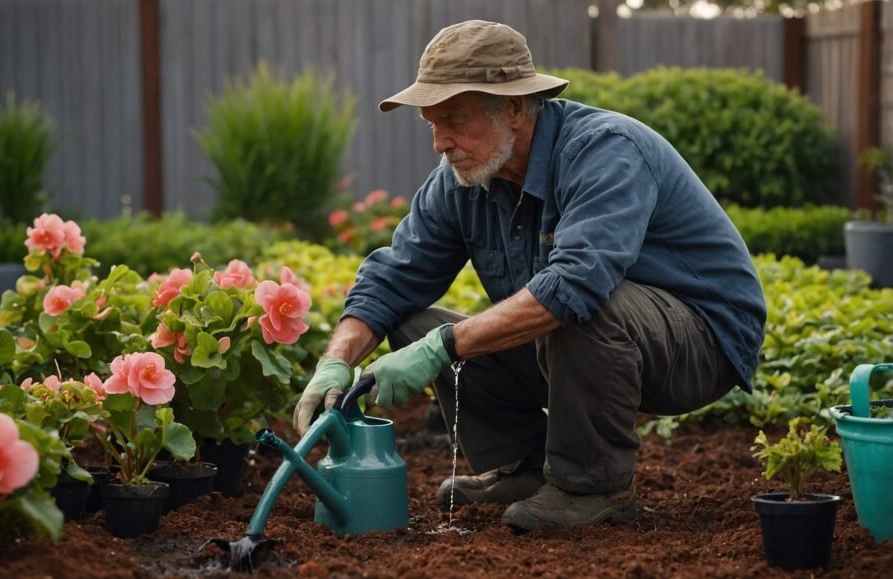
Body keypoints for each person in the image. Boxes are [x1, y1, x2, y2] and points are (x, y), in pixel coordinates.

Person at [293, 20, 766, 533]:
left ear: (515, 108)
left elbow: (576, 285)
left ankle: (593, 487)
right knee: (410, 321)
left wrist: (443, 347)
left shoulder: (605, 149)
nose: (439, 142)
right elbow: (393, 280)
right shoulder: (461, 180)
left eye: (453, 119)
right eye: (431, 123)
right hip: (592, 337)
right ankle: (524, 467)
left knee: (579, 304)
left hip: (700, 341)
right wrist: (335, 361)